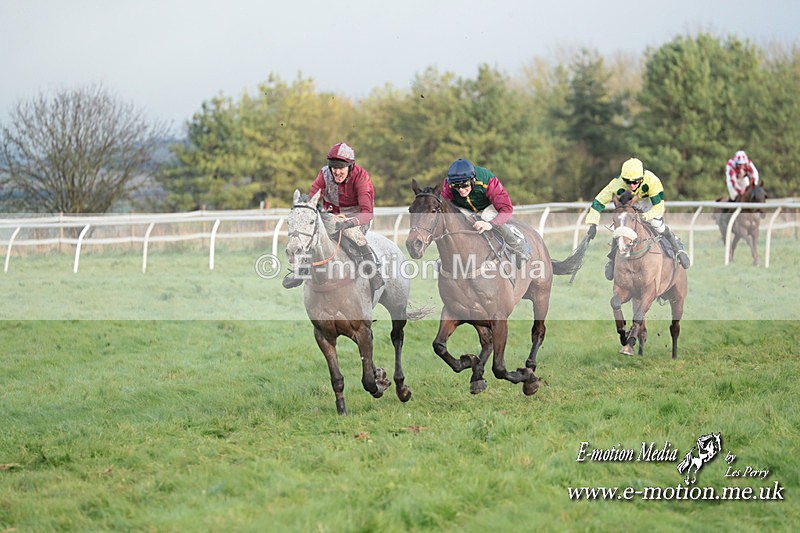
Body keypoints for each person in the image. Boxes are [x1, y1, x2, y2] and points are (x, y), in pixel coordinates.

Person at [282, 142, 384, 292]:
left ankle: (373, 273)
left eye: (341, 167)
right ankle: (301, 271)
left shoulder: (361, 177)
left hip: (357, 217)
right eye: (334, 167)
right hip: (332, 215)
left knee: (352, 234)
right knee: (313, 234)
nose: (337, 172)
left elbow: (367, 213)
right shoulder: (324, 174)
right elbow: (313, 198)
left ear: (350, 166)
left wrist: (349, 223)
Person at [584, 157, 690, 280]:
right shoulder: (616, 184)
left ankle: (678, 249)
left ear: (642, 178)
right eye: (627, 182)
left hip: (649, 203)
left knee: (656, 224)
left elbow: (659, 207)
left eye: (635, 182)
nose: (632, 185)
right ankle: (612, 260)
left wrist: (645, 216)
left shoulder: (652, 180)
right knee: (621, 225)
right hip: (629, 205)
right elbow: (597, 202)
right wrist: (593, 224)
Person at [440, 158, 531, 268]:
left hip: (488, 207)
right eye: (456, 186)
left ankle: (519, 248)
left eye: (464, 185)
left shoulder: (488, 180)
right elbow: (443, 206)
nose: (461, 190)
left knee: (486, 216)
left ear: (473, 180)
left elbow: (506, 209)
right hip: (465, 208)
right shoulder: (448, 185)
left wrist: (490, 224)